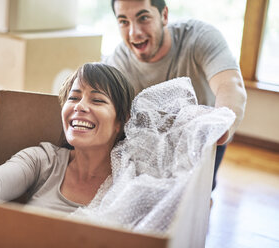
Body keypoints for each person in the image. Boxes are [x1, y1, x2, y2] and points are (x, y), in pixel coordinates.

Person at [0, 62, 135, 213]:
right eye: (74, 97)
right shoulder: (43, 160)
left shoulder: (131, 179)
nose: (79, 106)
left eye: (97, 100)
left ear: (121, 120)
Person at [104, 0, 247, 190]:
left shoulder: (200, 37)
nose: (134, 33)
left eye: (143, 18)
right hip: (150, 141)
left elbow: (230, 85)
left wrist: (218, 129)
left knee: (199, 194)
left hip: (204, 137)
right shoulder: (118, 62)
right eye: (124, 21)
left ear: (164, 16)